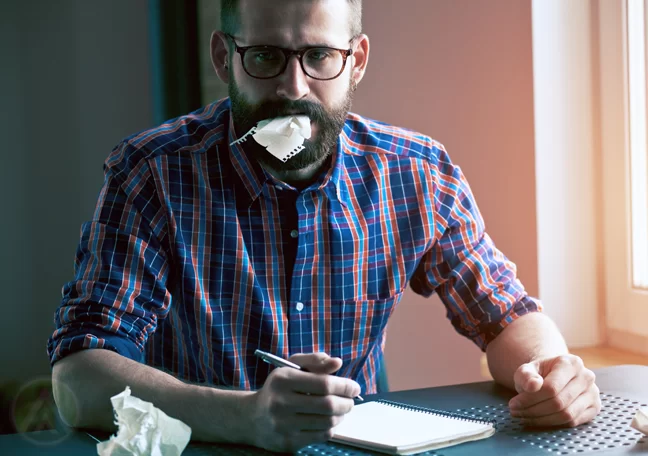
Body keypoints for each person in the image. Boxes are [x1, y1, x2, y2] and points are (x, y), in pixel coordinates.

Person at [48, 0, 602, 452]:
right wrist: (245, 418)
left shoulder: (416, 173)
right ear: (224, 57)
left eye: (320, 56)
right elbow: (78, 380)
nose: (293, 87)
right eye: (264, 55)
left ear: (356, 60)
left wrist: (550, 372)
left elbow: (506, 315)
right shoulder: (152, 174)